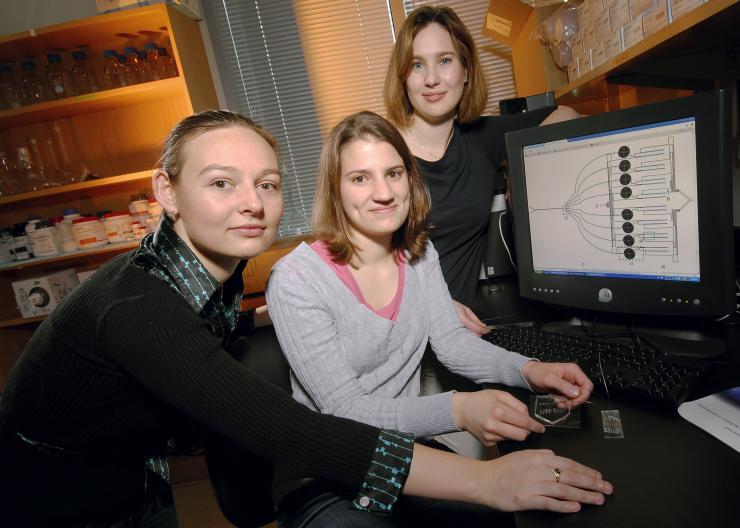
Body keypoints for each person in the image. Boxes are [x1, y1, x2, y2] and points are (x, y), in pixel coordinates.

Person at [0, 110, 610, 527]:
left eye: (266, 184)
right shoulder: (139, 305)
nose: (251, 203)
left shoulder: (214, 274)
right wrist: (485, 480)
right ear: (165, 191)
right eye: (221, 182)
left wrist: (525, 367)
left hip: (137, 474)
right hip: (47, 499)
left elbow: (445, 339)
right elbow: (293, 432)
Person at [267, 110, 610, 527]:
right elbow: (346, 411)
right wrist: (458, 409)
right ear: (335, 190)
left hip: (405, 453)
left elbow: (451, 342)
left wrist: (530, 371)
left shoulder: (420, 254)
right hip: (325, 474)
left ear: (410, 179)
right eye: (360, 178)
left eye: (393, 173)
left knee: (505, 519)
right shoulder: (297, 278)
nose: (383, 192)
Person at [384, 5, 580, 329]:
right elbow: (364, 272)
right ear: (403, 76)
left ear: (466, 70)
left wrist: (525, 171)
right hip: (398, 330)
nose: (432, 79)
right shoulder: (384, 153)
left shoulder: (483, 138)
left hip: (454, 335)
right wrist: (436, 304)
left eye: (445, 60)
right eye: (417, 64)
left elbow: (566, 115)